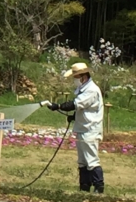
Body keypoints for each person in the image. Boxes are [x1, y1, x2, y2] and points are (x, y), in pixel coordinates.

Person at [44, 62, 104, 193]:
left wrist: (58, 106)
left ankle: (98, 187)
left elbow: (76, 104)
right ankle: (84, 186)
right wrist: (75, 117)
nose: (74, 80)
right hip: (83, 128)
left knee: (91, 160)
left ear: (83, 76)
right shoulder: (84, 89)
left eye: (76, 77)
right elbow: (84, 108)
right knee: (82, 161)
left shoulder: (91, 90)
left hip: (90, 130)